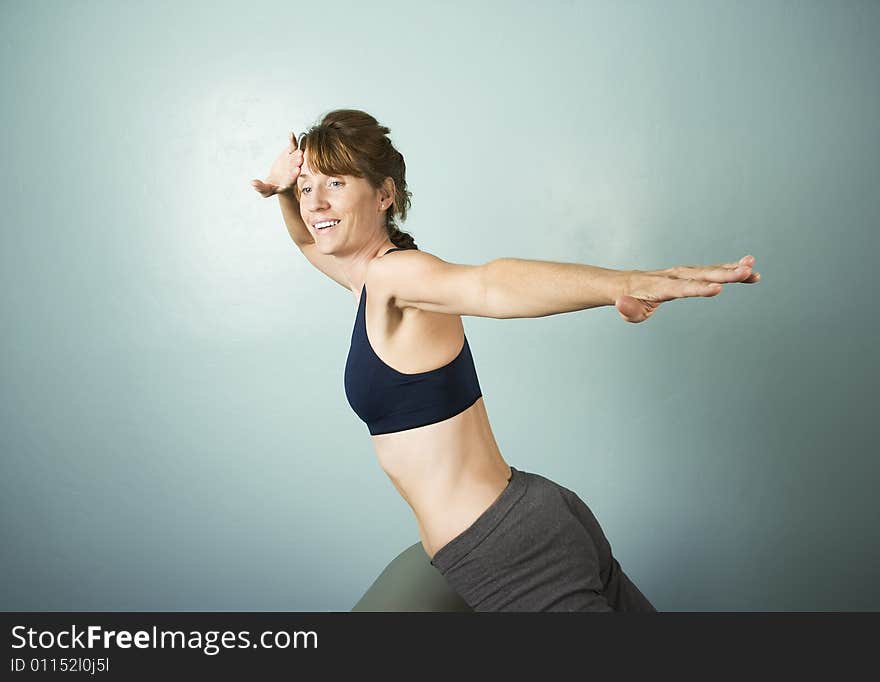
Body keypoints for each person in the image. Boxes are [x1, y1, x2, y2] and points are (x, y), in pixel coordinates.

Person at [251, 109, 760, 612]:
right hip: (532, 514)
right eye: (307, 186)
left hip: (509, 551)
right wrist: (281, 191)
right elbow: (307, 239)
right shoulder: (372, 279)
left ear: (384, 194)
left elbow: (489, 285)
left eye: (335, 184)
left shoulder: (395, 278)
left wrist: (620, 284)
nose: (314, 202)